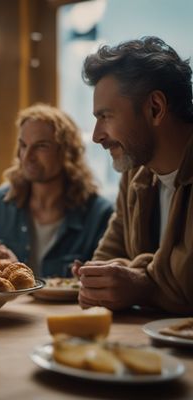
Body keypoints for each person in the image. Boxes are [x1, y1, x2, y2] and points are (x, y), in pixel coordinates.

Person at [73, 36, 193, 314]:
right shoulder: (135, 171)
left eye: (106, 116)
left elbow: (187, 278)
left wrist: (140, 283)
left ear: (155, 108)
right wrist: (97, 280)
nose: (96, 136)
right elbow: (107, 259)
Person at [0, 104, 113, 277]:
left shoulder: (99, 214)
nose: (27, 156)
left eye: (41, 146)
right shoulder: (1, 202)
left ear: (67, 152)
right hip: (8, 309)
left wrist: (16, 271)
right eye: (23, 145)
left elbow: (105, 283)